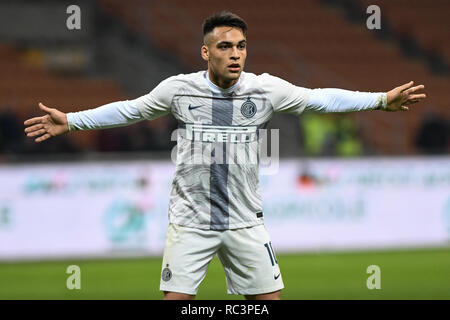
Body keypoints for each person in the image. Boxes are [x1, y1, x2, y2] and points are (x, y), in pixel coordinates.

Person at [23, 11, 426, 300]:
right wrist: (72, 121)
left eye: (241, 46)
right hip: (191, 220)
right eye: (225, 46)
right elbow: (131, 108)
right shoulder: (178, 89)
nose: (236, 54)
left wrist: (379, 100)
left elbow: (318, 98)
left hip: (244, 221)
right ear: (205, 52)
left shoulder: (264, 89)